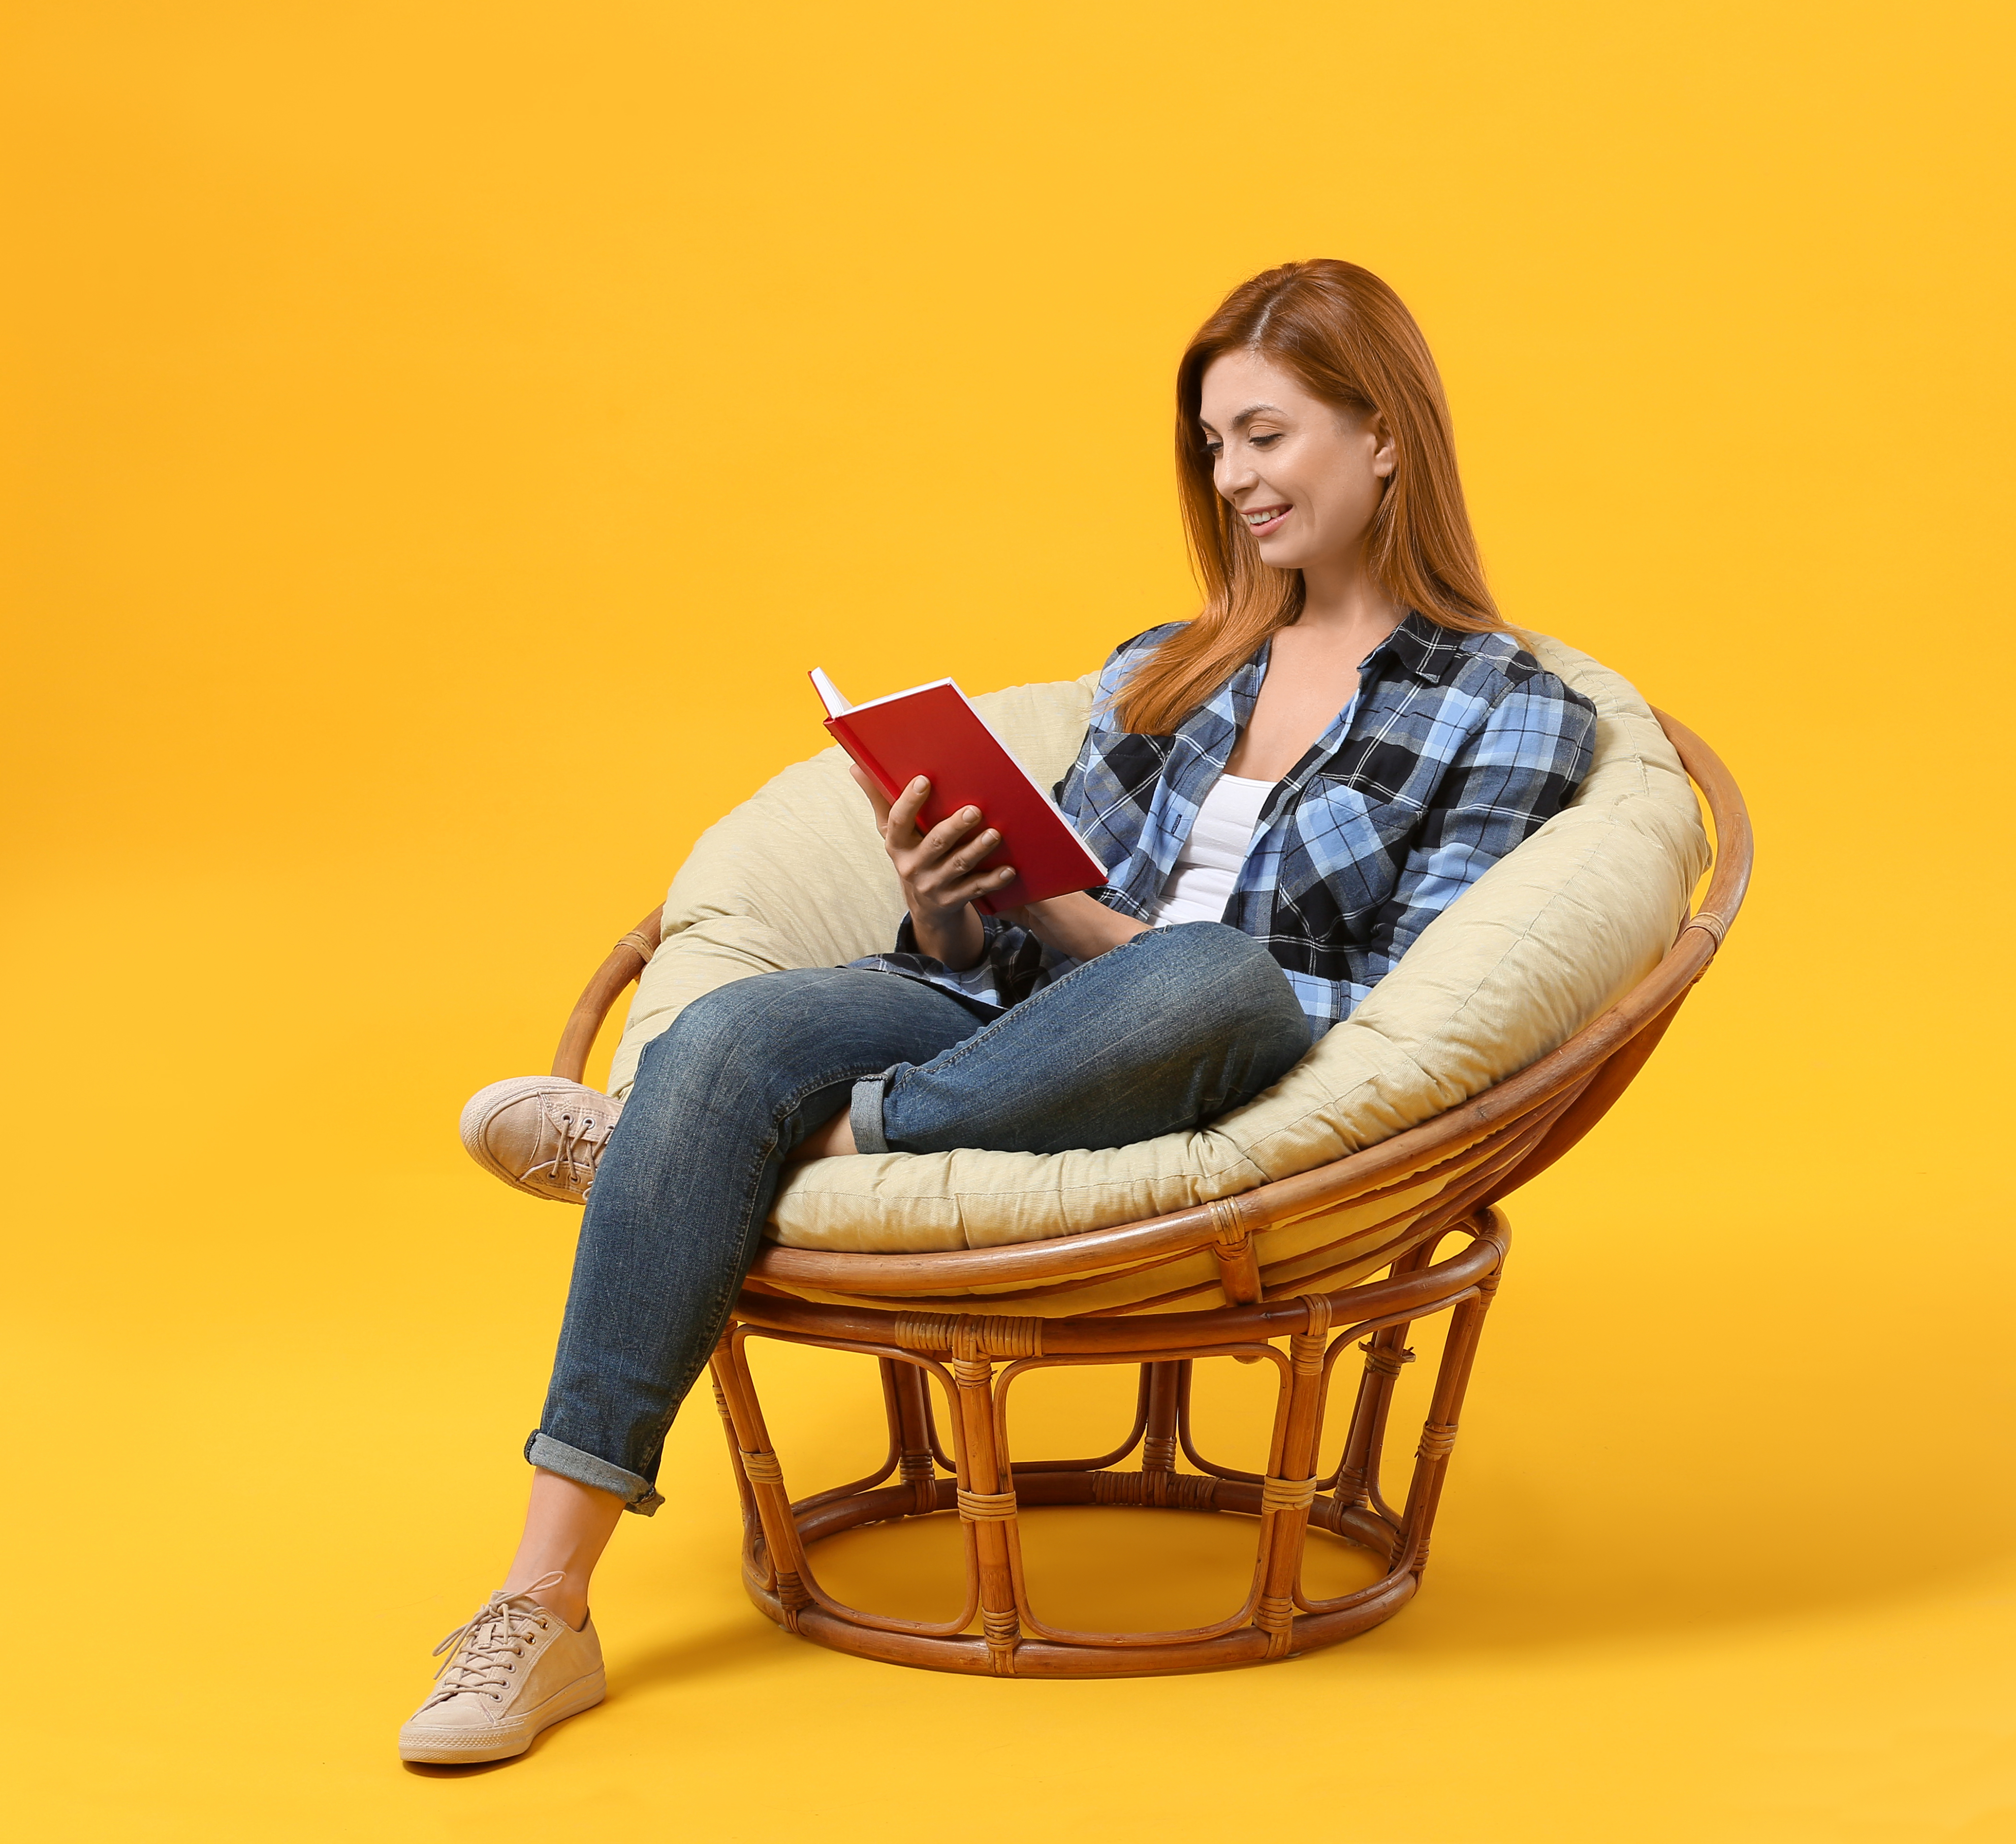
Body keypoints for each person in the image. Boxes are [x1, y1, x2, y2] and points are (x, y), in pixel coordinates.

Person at [400, 258, 1598, 1763]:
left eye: (1266, 435)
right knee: (722, 1036)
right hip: (993, 1017)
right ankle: (544, 1603)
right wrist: (954, 884)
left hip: (1214, 1051)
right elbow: (1001, 943)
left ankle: (742, 1145)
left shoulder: (1509, 706)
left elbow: (1415, 1004)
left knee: (1208, 965)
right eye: (1214, 447)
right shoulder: (1165, 670)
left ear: (1384, 437)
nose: (1232, 480)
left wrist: (1069, 918)